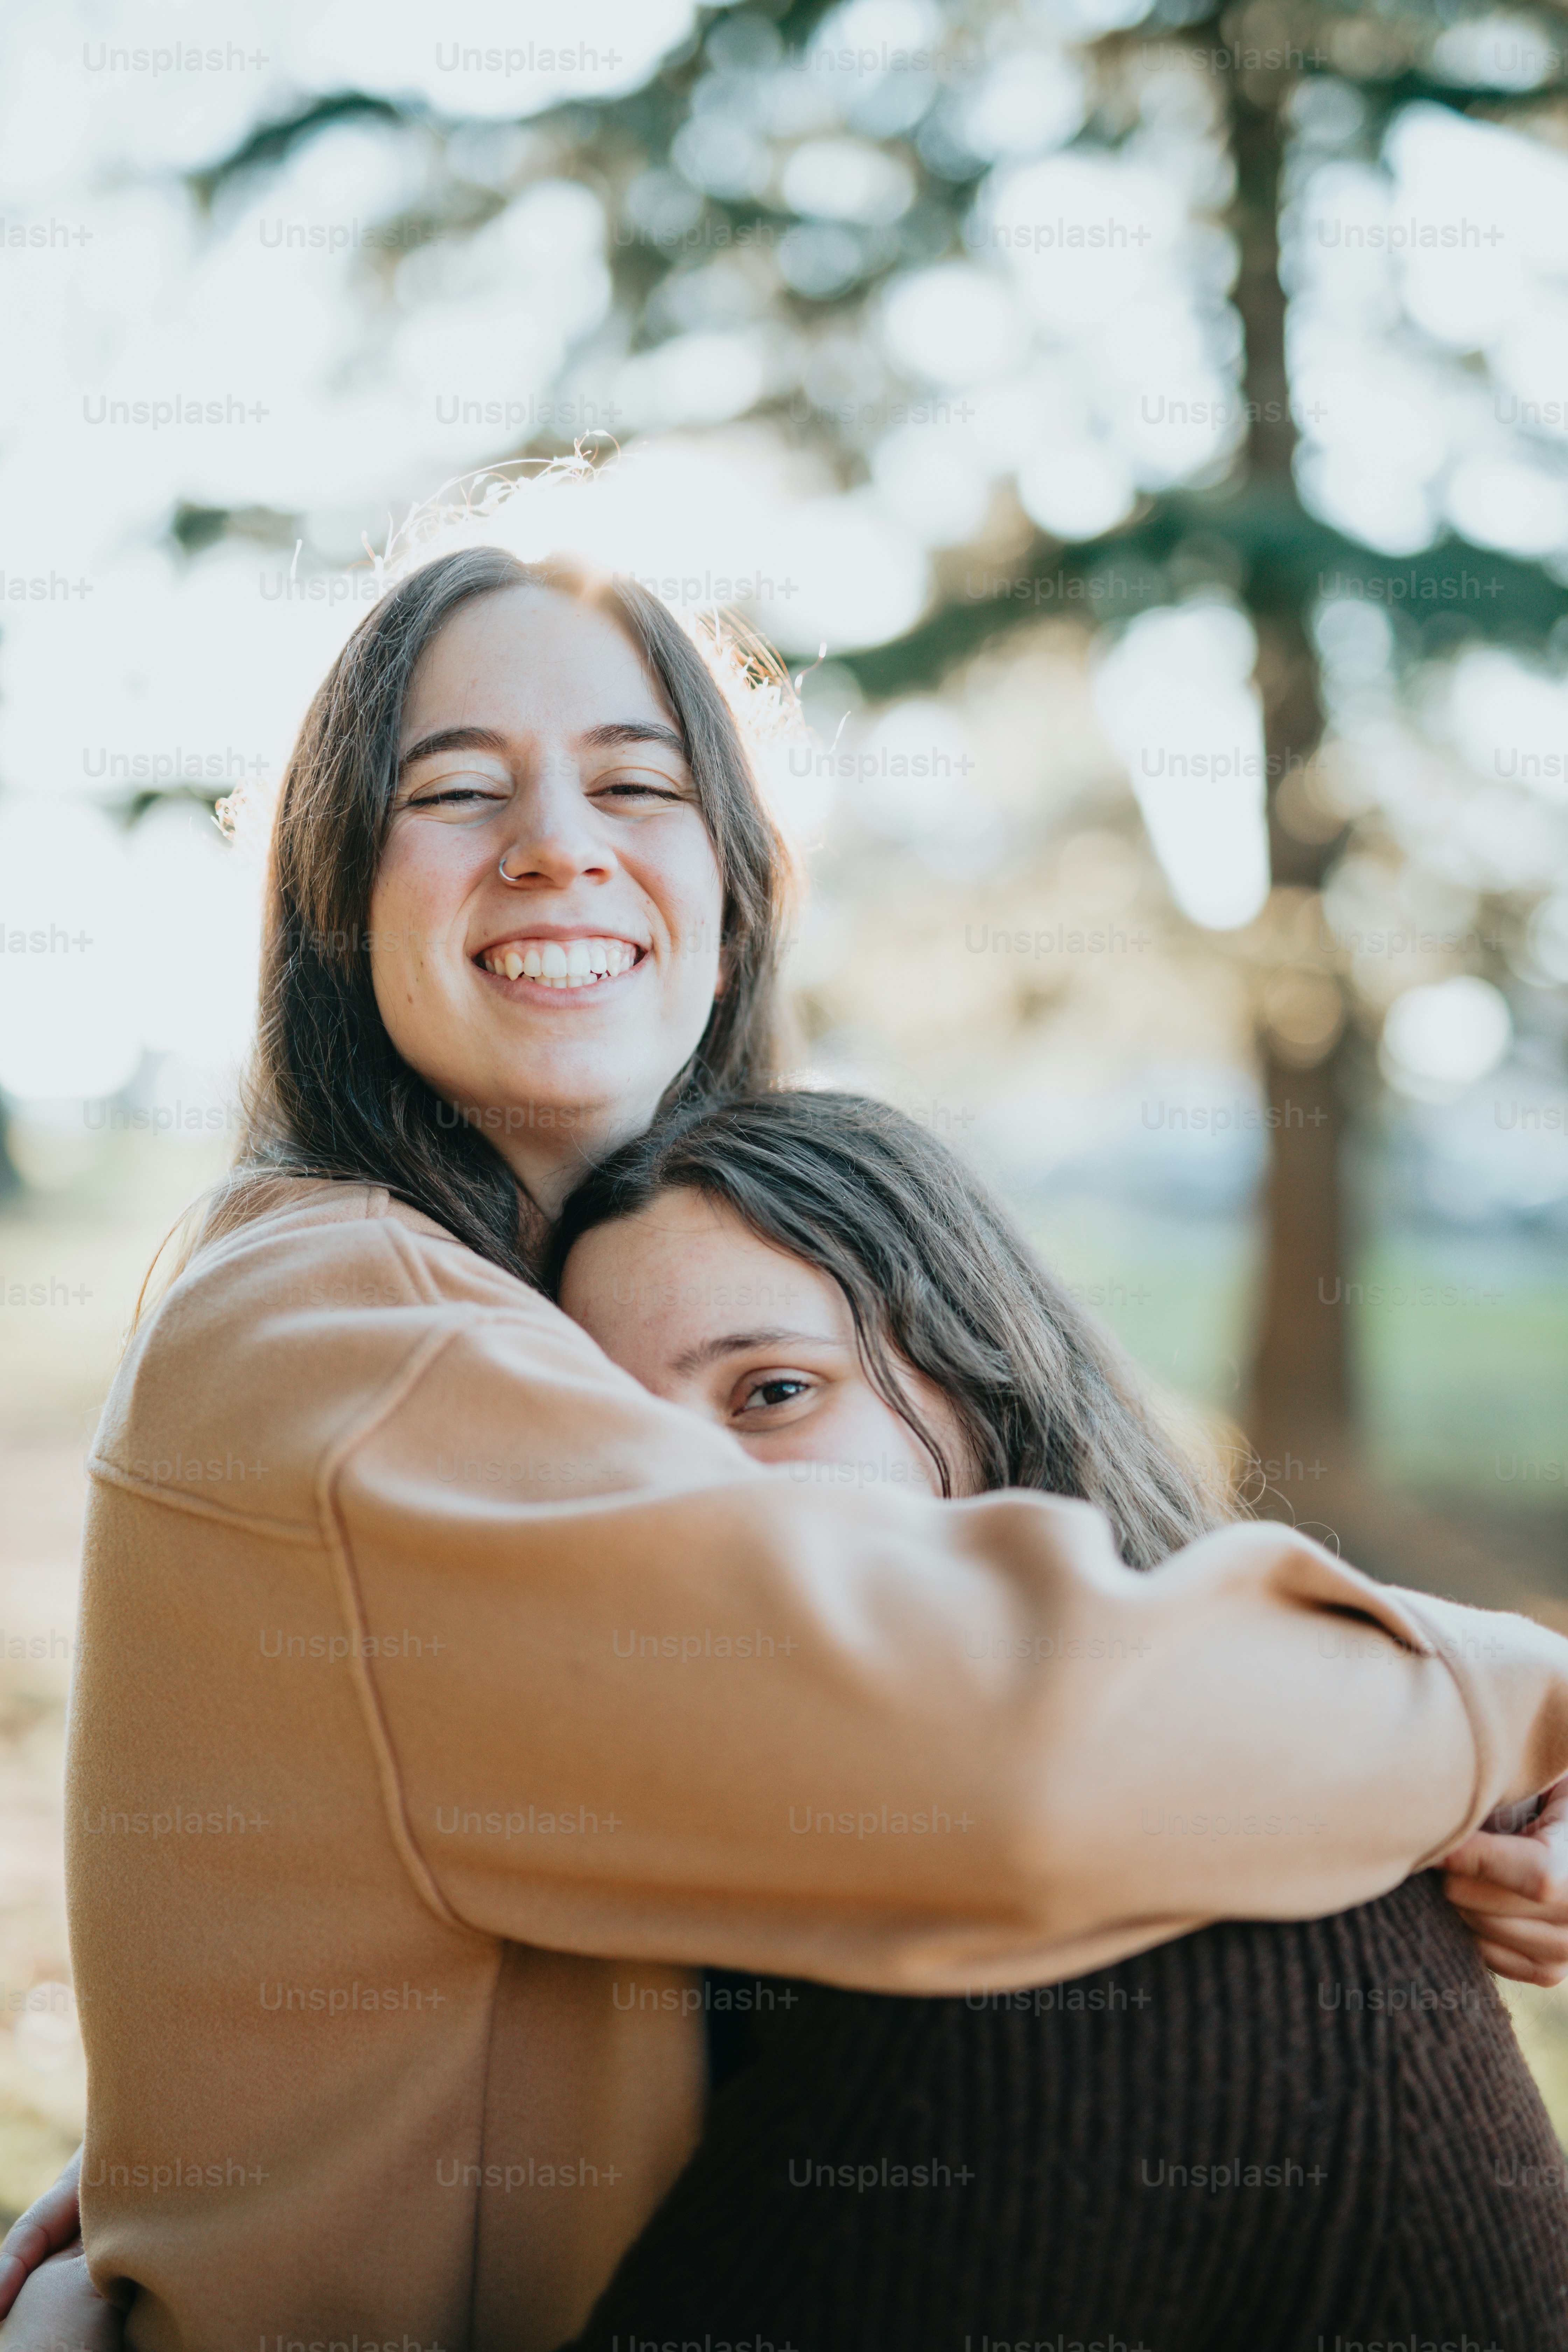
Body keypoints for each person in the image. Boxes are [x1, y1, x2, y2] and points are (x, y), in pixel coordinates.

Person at [5, 548, 1568, 2352]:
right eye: (452, 792)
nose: (557, 845)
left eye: (637, 783)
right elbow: (1000, 1757)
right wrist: (1515, 1696)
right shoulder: (344, 1322)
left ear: (734, 898)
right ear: (332, 906)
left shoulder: (512, 1288)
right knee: (1271, 1945)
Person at [542, 1087, 1568, 2350]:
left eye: (771, 1395)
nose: (690, 1499)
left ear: (988, 1382)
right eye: (616, 1444)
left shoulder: (1143, 1927)